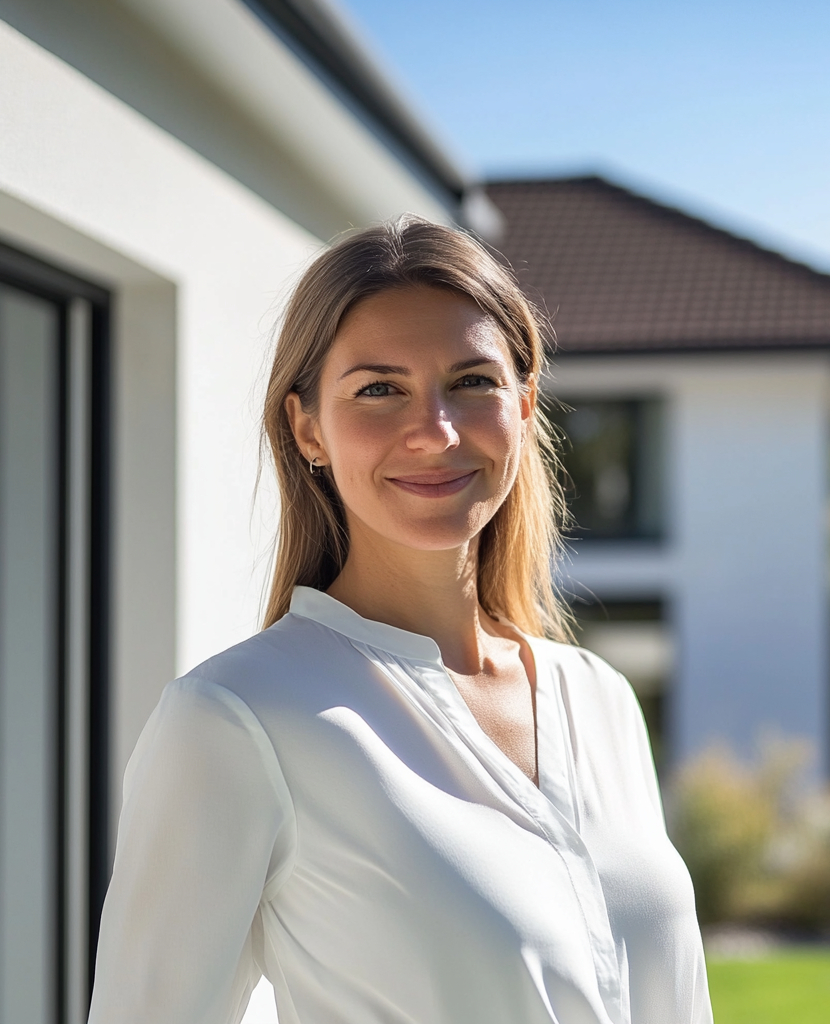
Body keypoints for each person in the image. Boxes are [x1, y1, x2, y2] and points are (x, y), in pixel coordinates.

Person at [87, 218, 713, 1024]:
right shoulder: (236, 719)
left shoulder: (599, 700)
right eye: (379, 389)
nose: (435, 432)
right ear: (308, 426)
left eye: (472, 382)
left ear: (523, 407)